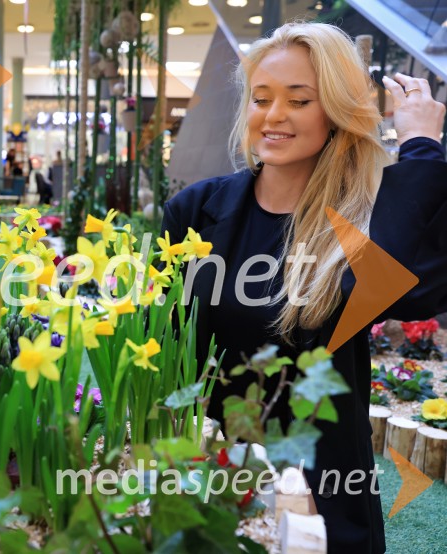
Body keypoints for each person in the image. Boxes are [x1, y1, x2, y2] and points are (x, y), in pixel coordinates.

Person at [159, 23, 446, 553]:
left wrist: (422, 147)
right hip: (201, 480)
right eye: (261, 98)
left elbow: (412, 293)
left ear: (334, 112)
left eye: (298, 100)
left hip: (324, 489)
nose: (273, 115)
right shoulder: (194, 212)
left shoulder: (362, 223)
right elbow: (162, 344)